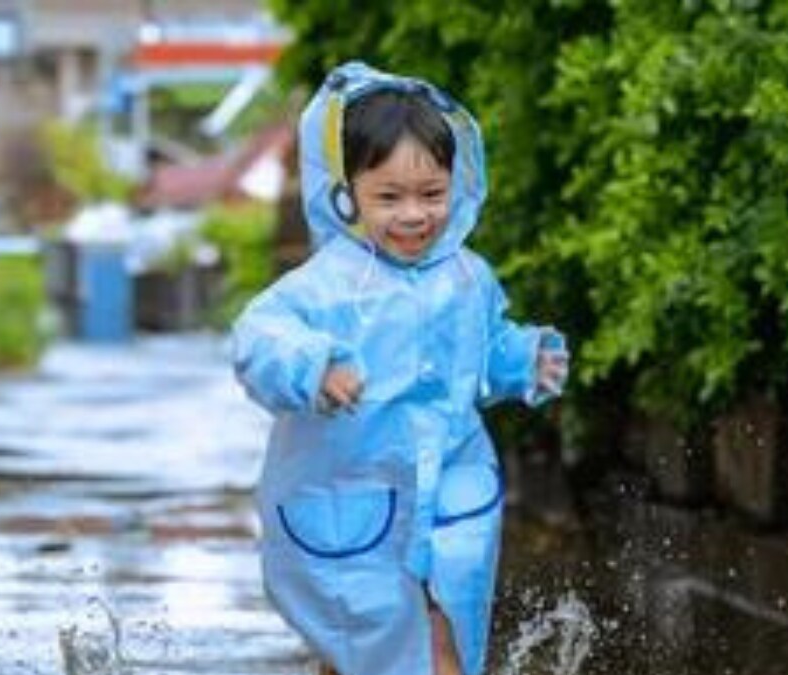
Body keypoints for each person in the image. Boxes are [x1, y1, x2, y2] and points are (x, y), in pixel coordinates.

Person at [231, 61, 568, 675]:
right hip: (349, 490)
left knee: (448, 636)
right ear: (347, 194)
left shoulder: (468, 277)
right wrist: (315, 366)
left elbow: (481, 352)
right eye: (389, 197)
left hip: (452, 483)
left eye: (432, 194)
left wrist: (522, 360)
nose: (414, 215)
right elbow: (258, 337)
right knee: (364, 637)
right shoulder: (328, 285)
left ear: (456, 182)